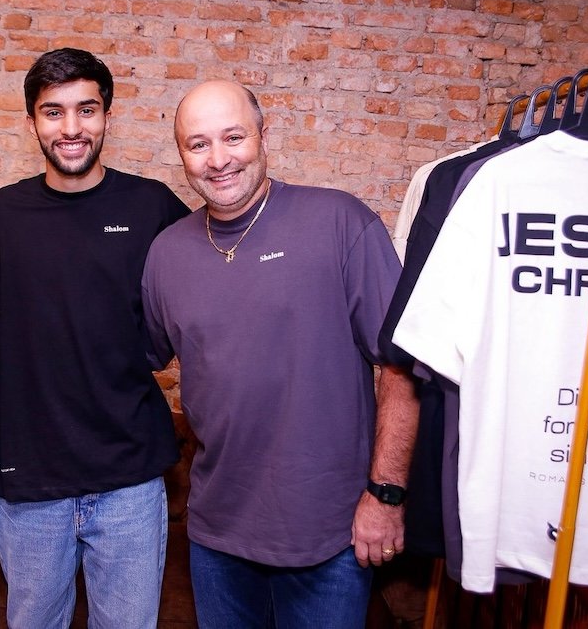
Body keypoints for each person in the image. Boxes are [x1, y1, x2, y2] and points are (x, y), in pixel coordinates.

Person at [140, 79, 419, 627]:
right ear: (181, 155)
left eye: (233, 137)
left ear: (264, 137)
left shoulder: (340, 222)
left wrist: (386, 496)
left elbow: (402, 367)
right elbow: (139, 361)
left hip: (332, 534)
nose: (218, 159)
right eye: (198, 144)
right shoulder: (167, 253)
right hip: (216, 534)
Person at [0, 47, 190, 628]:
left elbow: (208, 280)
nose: (71, 128)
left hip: (129, 476)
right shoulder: (5, 211)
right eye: (54, 112)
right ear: (32, 121)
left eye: (86, 110)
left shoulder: (150, 204)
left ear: (107, 116)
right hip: (32, 476)